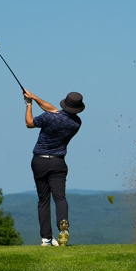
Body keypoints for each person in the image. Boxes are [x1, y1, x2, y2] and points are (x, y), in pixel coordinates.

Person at [23, 90, 84, 246]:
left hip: (39, 161)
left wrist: (28, 104)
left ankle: (46, 238)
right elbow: (52, 110)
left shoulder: (49, 117)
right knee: (60, 197)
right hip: (58, 163)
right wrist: (35, 97)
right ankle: (63, 223)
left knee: (43, 200)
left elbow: (29, 123)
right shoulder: (76, 123)